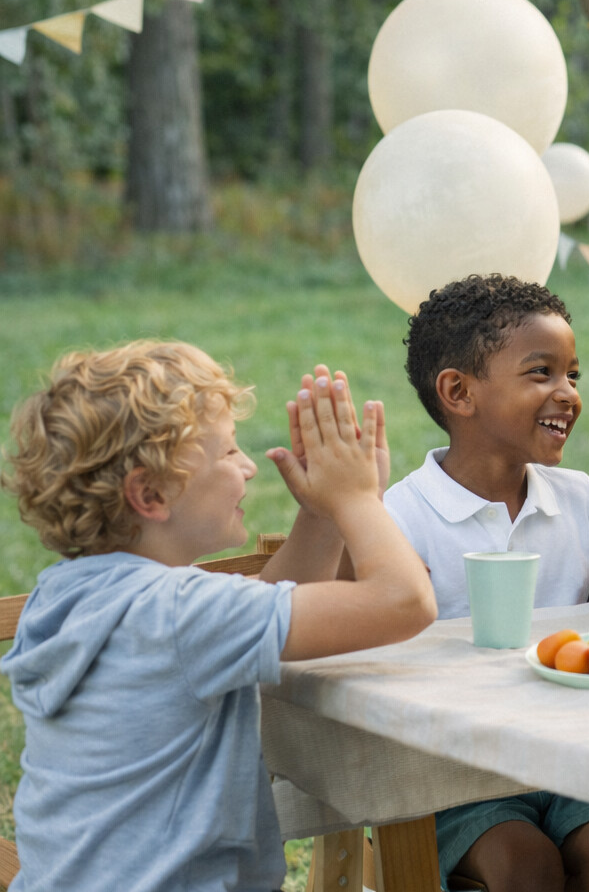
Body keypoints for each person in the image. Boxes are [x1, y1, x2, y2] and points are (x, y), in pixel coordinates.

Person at [0, 340, 436, 892]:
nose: (250, 467)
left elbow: (269, 604)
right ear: (151, 493)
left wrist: (320, 515)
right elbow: (405, 602)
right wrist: (358, 500)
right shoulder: (180, 612)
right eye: (230, 453)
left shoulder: (71, 595)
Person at [386, 274, 589, 892]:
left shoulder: (581, 500)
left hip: (569, 754)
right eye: (542, 373)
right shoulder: (402, 516)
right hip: (453, 769)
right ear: (459, 392)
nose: (567, 393)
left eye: (573, 375)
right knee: (523, 866)